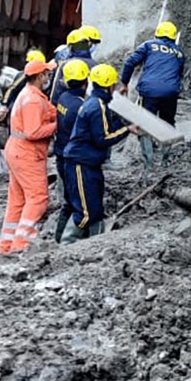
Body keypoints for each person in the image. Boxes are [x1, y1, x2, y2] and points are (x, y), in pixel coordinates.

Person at [61, 64, 133, 245]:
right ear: (109, 85)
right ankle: (66, 246)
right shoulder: (96, 107)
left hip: (87, 162)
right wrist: (128, 129)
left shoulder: (98, 103)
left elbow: (107, 127)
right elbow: (104, 137)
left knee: (94, 207)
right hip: (80, 163)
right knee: (85, 212)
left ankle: (96, 242)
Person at [0, 58, 57, 255]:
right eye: (47, 74)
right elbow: (33, 131)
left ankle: (6, 245)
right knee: (38, 197)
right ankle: (22, 244)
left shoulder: (28, 94)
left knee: (17, 200)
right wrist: (57, 125)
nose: (49, 76)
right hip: (27, 153)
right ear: (40, 76)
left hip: (17, 151)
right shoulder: (33, 100)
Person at [119, 21, 185, 169]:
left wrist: (124, 83)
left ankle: (149, 164)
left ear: (157, 34)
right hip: (170, 92)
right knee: (167, 124)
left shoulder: (149, 45)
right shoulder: (180, 53)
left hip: (149, 91)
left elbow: (130, 63)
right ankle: (165, 161)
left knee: (145, 124)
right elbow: (179, 75)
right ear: (174, 37)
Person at [52, 59, 90, 242]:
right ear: (85, 81)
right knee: (78, 203)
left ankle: (58, 237)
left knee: (68, 201)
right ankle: (69, 240)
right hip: (72, 160)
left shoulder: (64, 98)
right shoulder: (79, 106)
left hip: (61, 155)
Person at [0, 48, 47, 124]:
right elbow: (12, 89)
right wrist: (4, 105)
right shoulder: (23, 75)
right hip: (17, 108)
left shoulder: (40, 77)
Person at [50, 29, 96, 103]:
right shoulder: (95, 66)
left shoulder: (65, 65)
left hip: (65, 106)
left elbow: (56, 91)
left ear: (71, 47)